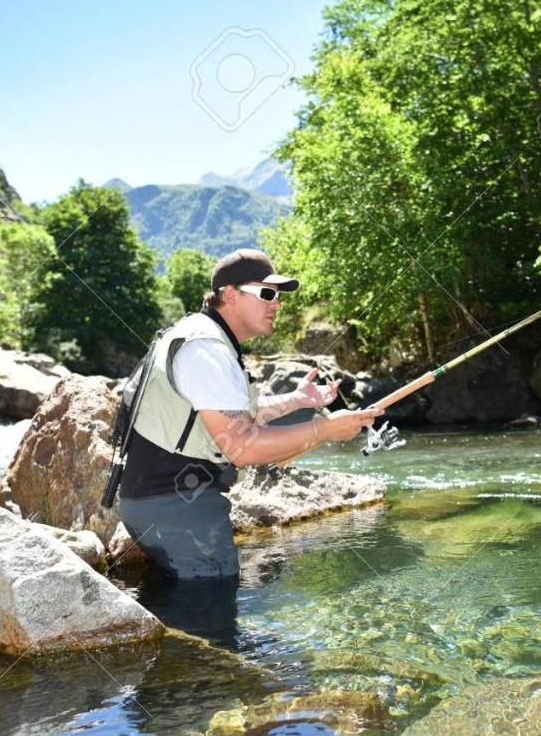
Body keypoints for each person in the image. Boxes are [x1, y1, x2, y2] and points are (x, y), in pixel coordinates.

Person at [116, 248, 380, 638]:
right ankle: (199, 691)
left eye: (280, 296)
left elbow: (227, 416)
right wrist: (326, 430)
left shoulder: (203, 336)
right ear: (230, 294)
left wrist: (300, 401)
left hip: (162, 501)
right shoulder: (205, 350)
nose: (278, 305)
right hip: (176, 508)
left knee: (193, 617)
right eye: (267, 294)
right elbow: (243, 447)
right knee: (209, 624)